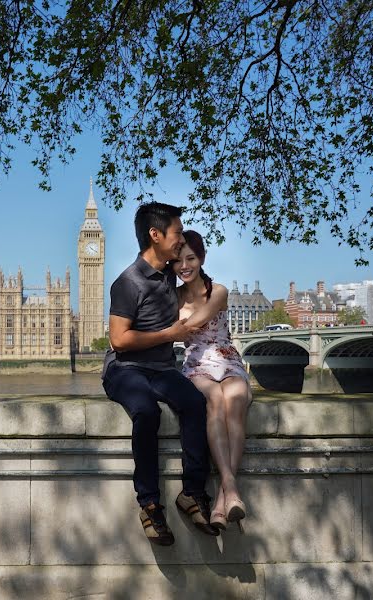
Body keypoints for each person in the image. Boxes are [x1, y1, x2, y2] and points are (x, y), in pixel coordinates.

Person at [102, 202, 216, 546]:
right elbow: (119, 340)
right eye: (177, 232)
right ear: (155, 235)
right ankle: (150, 503)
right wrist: (169, 335)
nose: (181, 238)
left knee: (195, 404)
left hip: (162, 368)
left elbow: (197, 266)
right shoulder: (128, 282)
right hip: (125, 369)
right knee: (146, 412)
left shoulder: (170, 271)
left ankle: (192, 492)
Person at [173, 230, 252, 533]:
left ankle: (222, 498)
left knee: (234, 401)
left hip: (228, 358)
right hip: (197, 364)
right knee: (213, 400)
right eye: (178, 260)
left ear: (201, 258)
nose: (184, 265)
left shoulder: (218, 291)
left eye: (190, 258)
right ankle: (230, 491)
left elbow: (198, 319)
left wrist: (171, 327)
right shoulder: (175, 296)